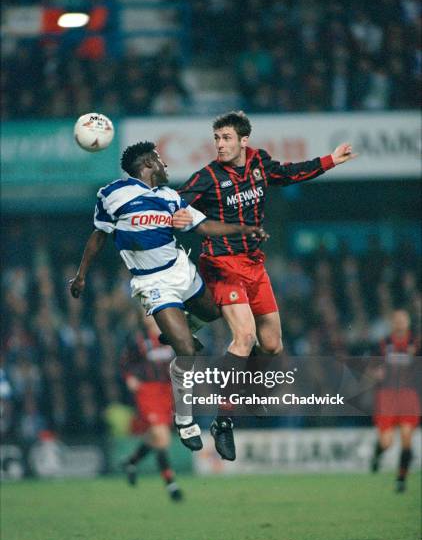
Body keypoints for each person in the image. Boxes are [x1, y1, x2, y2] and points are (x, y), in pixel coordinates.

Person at [175, 110, 357, 460]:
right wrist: (173, 214)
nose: (220, 144)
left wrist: (331, 160)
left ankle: (245, 383)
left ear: (244, 141)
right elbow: (176, 202)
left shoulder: (259, 163)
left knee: (272, 346)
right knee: (244, 337)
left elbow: (288, 174)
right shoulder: (207, 177)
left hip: (255, 266)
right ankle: (223, 422)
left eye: (226, 138)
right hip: (221, 264)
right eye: (216, 138)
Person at [69, 141, 267, 456]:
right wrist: (81, 274)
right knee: (186, 349)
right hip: (152, 283)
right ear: (148, 162)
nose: (165, 164)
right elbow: (99, 236)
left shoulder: (169, 197)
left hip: (180, 269)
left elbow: (204, 226)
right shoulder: (112, 195)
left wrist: (242, 229)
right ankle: (185, 419)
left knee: (214, 313)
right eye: (160, 159)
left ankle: (181, 327)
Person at [120, 312, 183, 501]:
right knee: (161, 435)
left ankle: (131, 462)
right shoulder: (139, 339)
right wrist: (129, 378)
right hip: (148, 391)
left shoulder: (172, 337)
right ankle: (171, 483)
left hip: (167, 391)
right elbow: (124, 362)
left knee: (156, 435)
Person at [370, 309, 420, 492]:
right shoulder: (383, 344)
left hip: (408, 395)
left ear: (407, 322)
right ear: (392, 323)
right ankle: (377, 453)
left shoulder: (416, 343)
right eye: (396, 320)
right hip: (387, 396)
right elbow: (372, 367)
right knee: (387, 442)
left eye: (403, 320)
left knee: (407, 438)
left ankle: (401, 479)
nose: (400, 323)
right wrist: (376, 373)